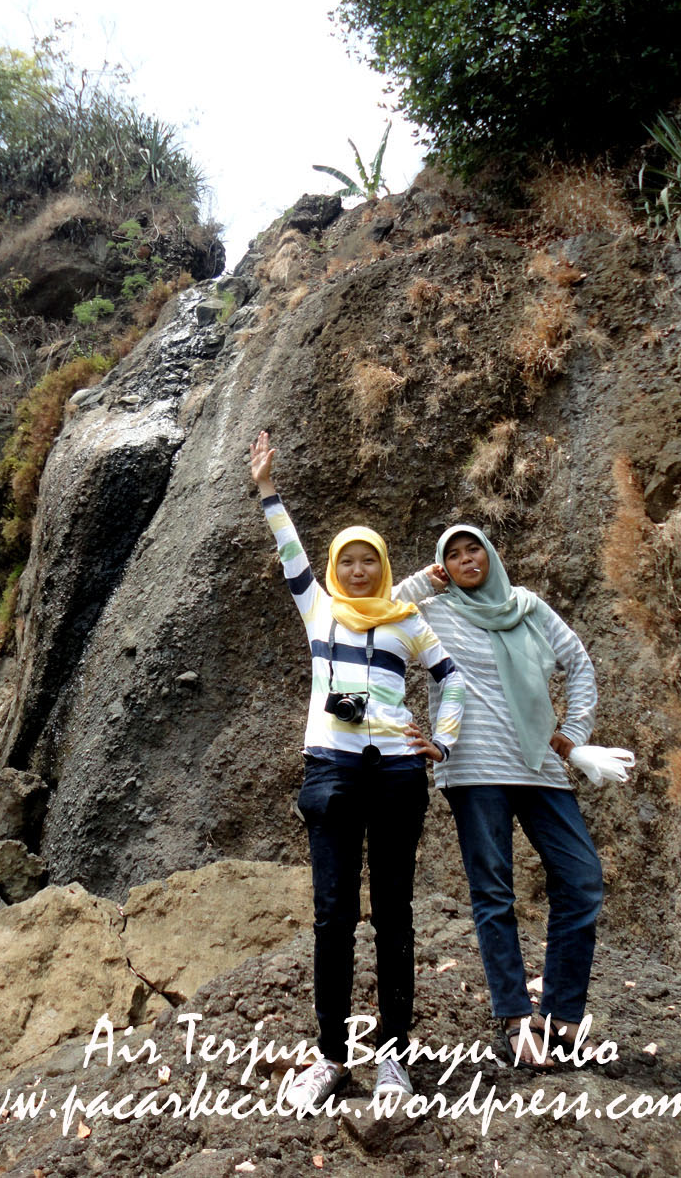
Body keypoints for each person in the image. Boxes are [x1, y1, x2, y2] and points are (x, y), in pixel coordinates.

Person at [249, 431, 465, 1108]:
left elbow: (452, 679)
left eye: (370, 560)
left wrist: (441, 741)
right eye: (349, 560)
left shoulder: (407, 621)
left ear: (383, 565)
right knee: (333, 916)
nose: (360, 570)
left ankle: (394, 1057)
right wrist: (267, 488)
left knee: (394, 914)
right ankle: (332, 1056)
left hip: (398, 774)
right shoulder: (319, 610)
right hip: (331, 772)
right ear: (336, 567)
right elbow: (290, 551)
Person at [395, 524, 603, 1068]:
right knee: (494, 892)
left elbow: (579, 664)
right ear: (444, 565)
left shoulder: (527, 607)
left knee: (582, 880)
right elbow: (377, 610)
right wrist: (423, 582)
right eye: (454, 555)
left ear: (490, 555)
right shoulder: (434, 612)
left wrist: (574, 732)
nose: (467, 560)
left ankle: (562, 1016)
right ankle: (514, 1018)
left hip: (539, 765)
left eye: (474, 550)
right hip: (474, 769)